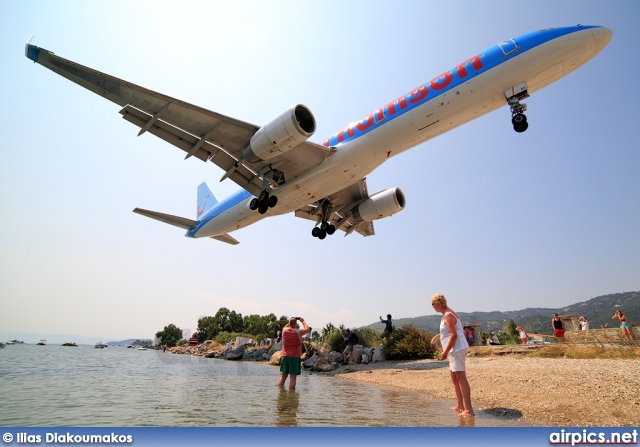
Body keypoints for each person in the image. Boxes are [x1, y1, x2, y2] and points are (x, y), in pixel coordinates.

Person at [430, 293, 474, 417]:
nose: (432, 307)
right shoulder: (446, 314)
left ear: (437, 304)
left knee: (461, 377)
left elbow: (454, 335)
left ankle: (469, 410)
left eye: (433, 304)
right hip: (454, 350)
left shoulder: (448, 315)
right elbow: (451, 331)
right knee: (454, 377)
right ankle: (460, 404)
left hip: (457, 349)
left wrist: (444, 352)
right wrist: (438, 337)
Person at [277, 317, 310, 390]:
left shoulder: (284, 330)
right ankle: (292, 396)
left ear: (289, 323)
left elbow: (286, 326)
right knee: (293, 377)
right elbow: (307, 329)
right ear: (296, 324)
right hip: (294, 357)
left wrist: (292, 320)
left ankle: (280, 393)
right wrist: (303, 321)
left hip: (285, 356)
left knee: (283, 376)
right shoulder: (298, 332)